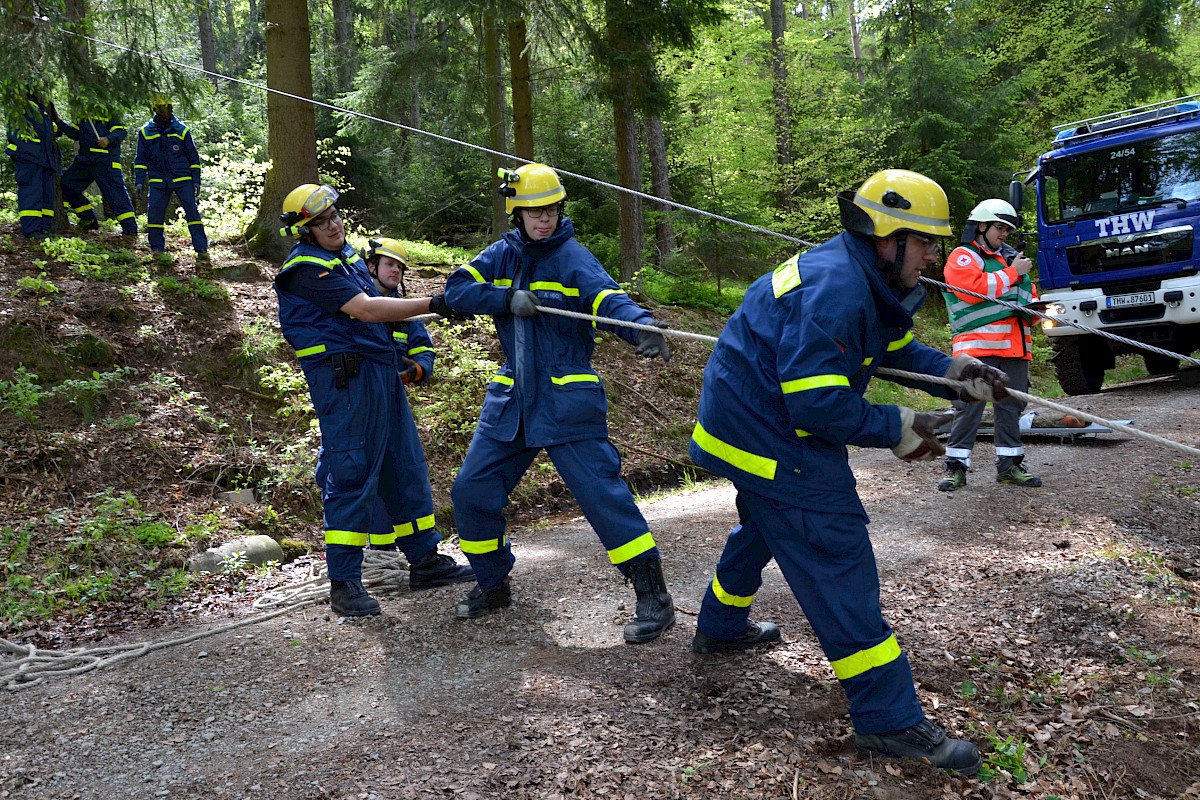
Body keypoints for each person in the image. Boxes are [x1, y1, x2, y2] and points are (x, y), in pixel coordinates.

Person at [687, 169, 1009, 775]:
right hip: (772, 432)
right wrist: (897, 427)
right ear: (887, 238)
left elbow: (884, 348)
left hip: (742, 420)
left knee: (765, 522)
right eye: (926, 242)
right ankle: (888, 722)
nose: (935, 255)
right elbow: (816, 404)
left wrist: (952, 367)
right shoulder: (837, 286)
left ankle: (721, 624)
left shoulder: (858, 275)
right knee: (837, 557)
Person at [442, 163, 675, 644]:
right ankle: (493, 584)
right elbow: (456, 292)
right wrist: (506, 299)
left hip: (567, 399)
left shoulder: (573, 257)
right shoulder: (500, 256)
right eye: (534, 212)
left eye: (550, 210)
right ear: (518, 213)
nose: (543, 220)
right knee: (471, 491)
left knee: (602, 497)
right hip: (512, 402)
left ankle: (654, 596)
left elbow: (608, 301)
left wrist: (641, 328)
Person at [274, 184, 467, 616]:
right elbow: (367, 310)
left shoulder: (345, 261)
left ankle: (424, 561)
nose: (333, 226)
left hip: (380, 375)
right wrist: (437, 302)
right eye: (322, 223)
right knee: (352, 472)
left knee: (405, 465)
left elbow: (389, 305)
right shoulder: (306, 269)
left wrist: (446, 308)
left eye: (335, 216)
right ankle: (344, 582)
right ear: (306, 232)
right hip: (346, 381)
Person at [937, 199, 1042, 491]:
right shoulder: (964, 256)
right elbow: (972, 291)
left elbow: (1028, 301)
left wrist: (1036, 308)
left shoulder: (1011, 261)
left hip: (1015, 350)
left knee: (1011, 408)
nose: (1004, 234)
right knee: (968, 407)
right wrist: (1013, 274)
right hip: (976, 349)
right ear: (981, 226)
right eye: (999, 227)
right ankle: (955, 469)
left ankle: (1009, 467)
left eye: (1008, 229)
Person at [133, 96, 208, 258]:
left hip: (182, 180)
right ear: (155, 110)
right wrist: (139, 182)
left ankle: (201, 249)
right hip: (158, 181)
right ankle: (157, 249)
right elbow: (140, 160)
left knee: (192, 214)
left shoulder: (181, 129)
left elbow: (193, 158)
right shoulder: (146, 132)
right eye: (161, 109)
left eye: (167, 108)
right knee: (154, 215)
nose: (165, 112)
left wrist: (196, 180)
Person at [56, 102, 138, 237]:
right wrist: (59, 122)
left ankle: (130, 229)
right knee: (67, 185)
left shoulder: (111, 111)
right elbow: (75, 134)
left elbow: (121, 131)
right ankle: (88, 219)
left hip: (106, 163)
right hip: (85, 161)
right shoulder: (83, 115)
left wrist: (108, 139)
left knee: (116, 196)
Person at [4, 89, 60, 241]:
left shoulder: (42, 109)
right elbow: (15, 133)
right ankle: (32, 230)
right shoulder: (20, 103)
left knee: (46, 196)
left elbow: (49, 132)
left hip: (46, 160)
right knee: (31, 194)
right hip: (29, 158)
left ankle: (45, 228)